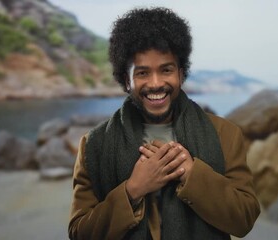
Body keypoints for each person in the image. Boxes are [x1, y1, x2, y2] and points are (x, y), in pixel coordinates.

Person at [68, 7, 260, 240]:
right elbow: (79, 233)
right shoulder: (93, 145)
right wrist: (133, 191)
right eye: (142, 73)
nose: (156, 83)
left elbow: (244, 219)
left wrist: (191, 174)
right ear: (126, 81)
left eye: (166, 70)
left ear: (180, 74)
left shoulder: (224, 134)